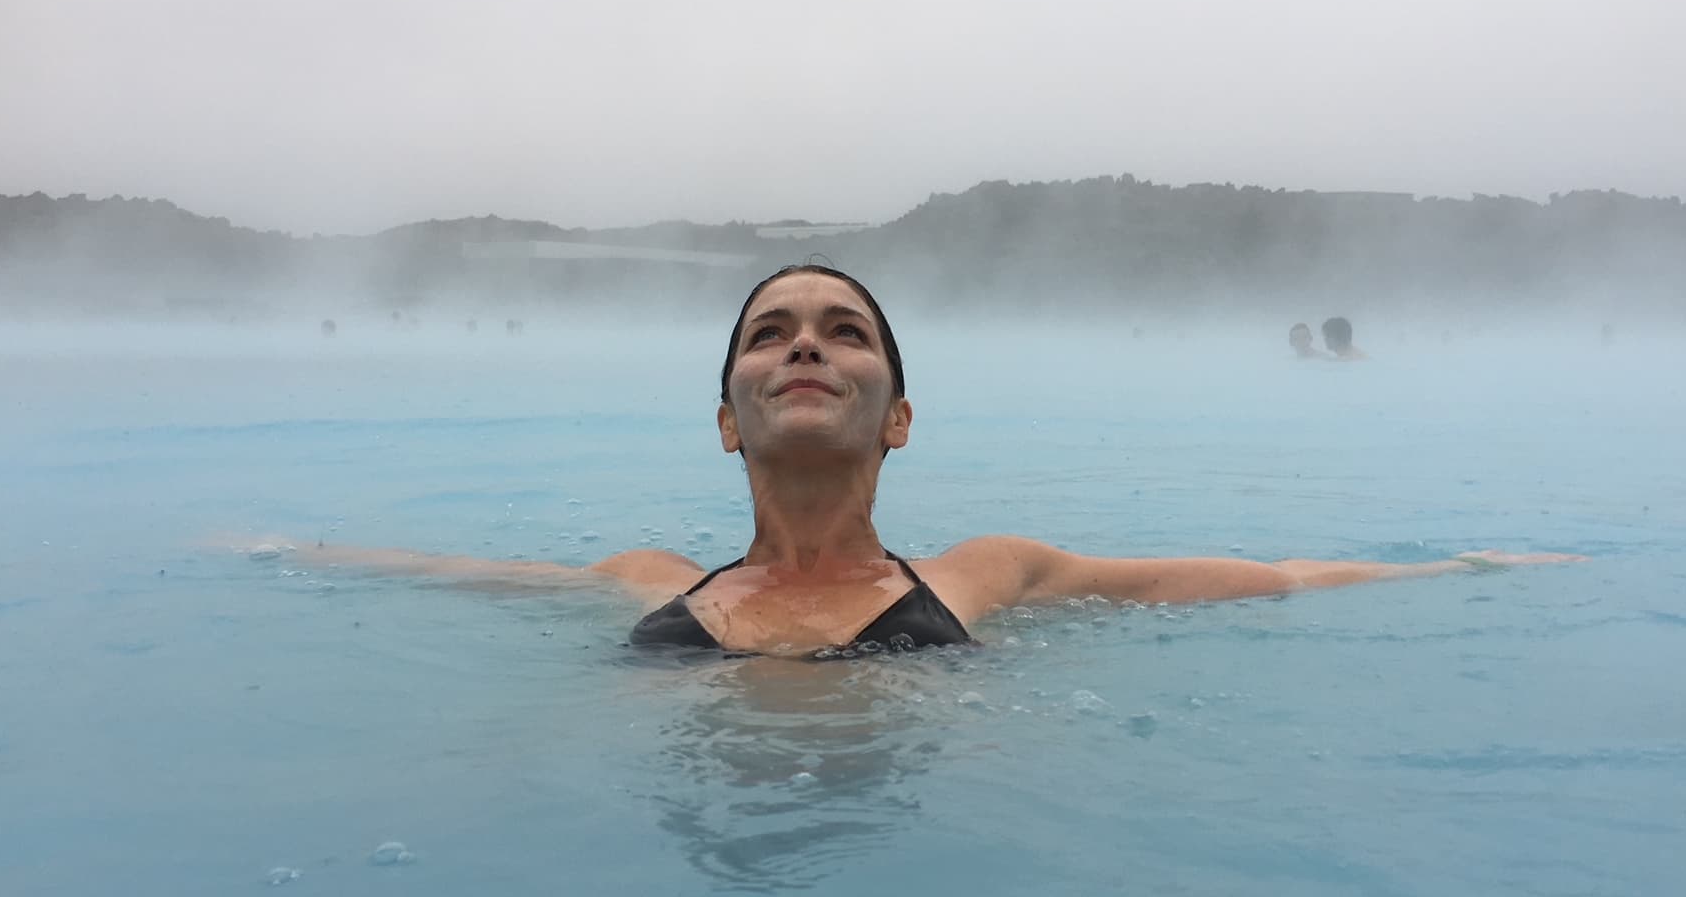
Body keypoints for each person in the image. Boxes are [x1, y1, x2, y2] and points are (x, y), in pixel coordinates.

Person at [276, 265, 1578, 658]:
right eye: (771, 334)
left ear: (898, 416)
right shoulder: (650, 578)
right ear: (726, 417)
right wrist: (292, 553)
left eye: (845, 334)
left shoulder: (982, 576)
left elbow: (1261, 579)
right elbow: (462, 573)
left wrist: (1456, 566)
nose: (805, 348)